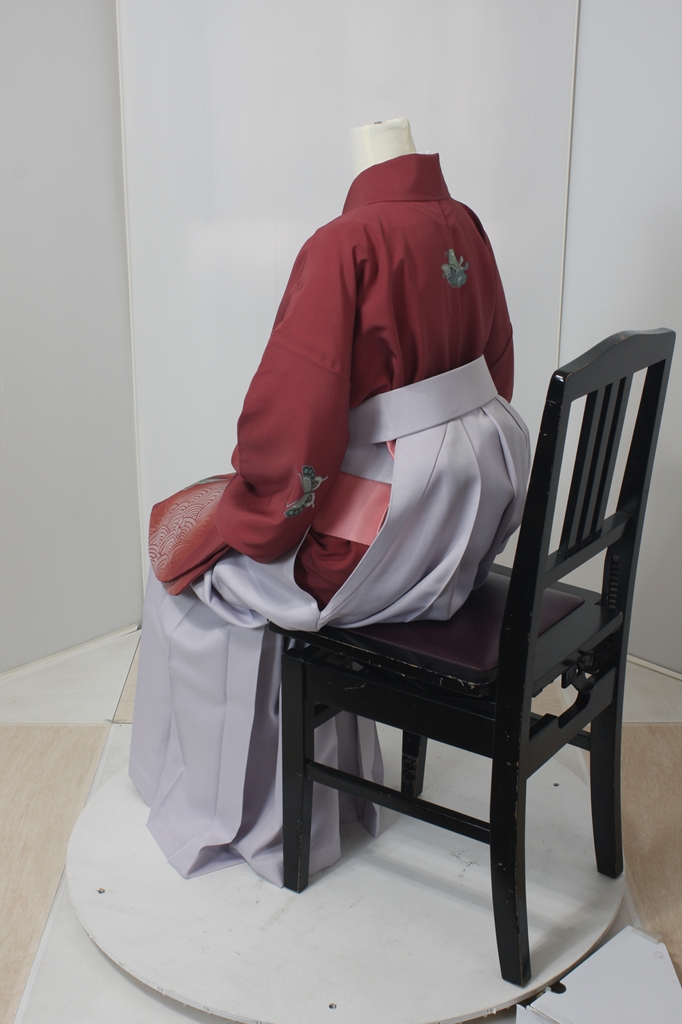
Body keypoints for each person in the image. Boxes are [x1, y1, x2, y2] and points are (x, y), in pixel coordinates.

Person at [129, 118, 530, 886]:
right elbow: (498, 366)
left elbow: (297, 416)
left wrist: (260, 507)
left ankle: (231, 808)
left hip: (381, 540)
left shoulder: (345, 244)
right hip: (460, 529)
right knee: (223, 528)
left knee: (195, 565)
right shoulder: (466, 224)